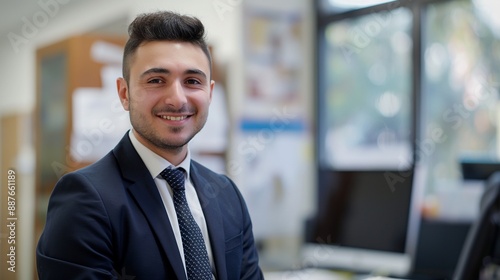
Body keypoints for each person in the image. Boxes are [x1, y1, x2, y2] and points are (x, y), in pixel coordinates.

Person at [36, 11, 263, 280]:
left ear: (210, 93)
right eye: (156, 80)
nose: (177, 99)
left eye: (192, 81)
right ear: (124, 93)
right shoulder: (85, 199)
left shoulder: (227, 195)